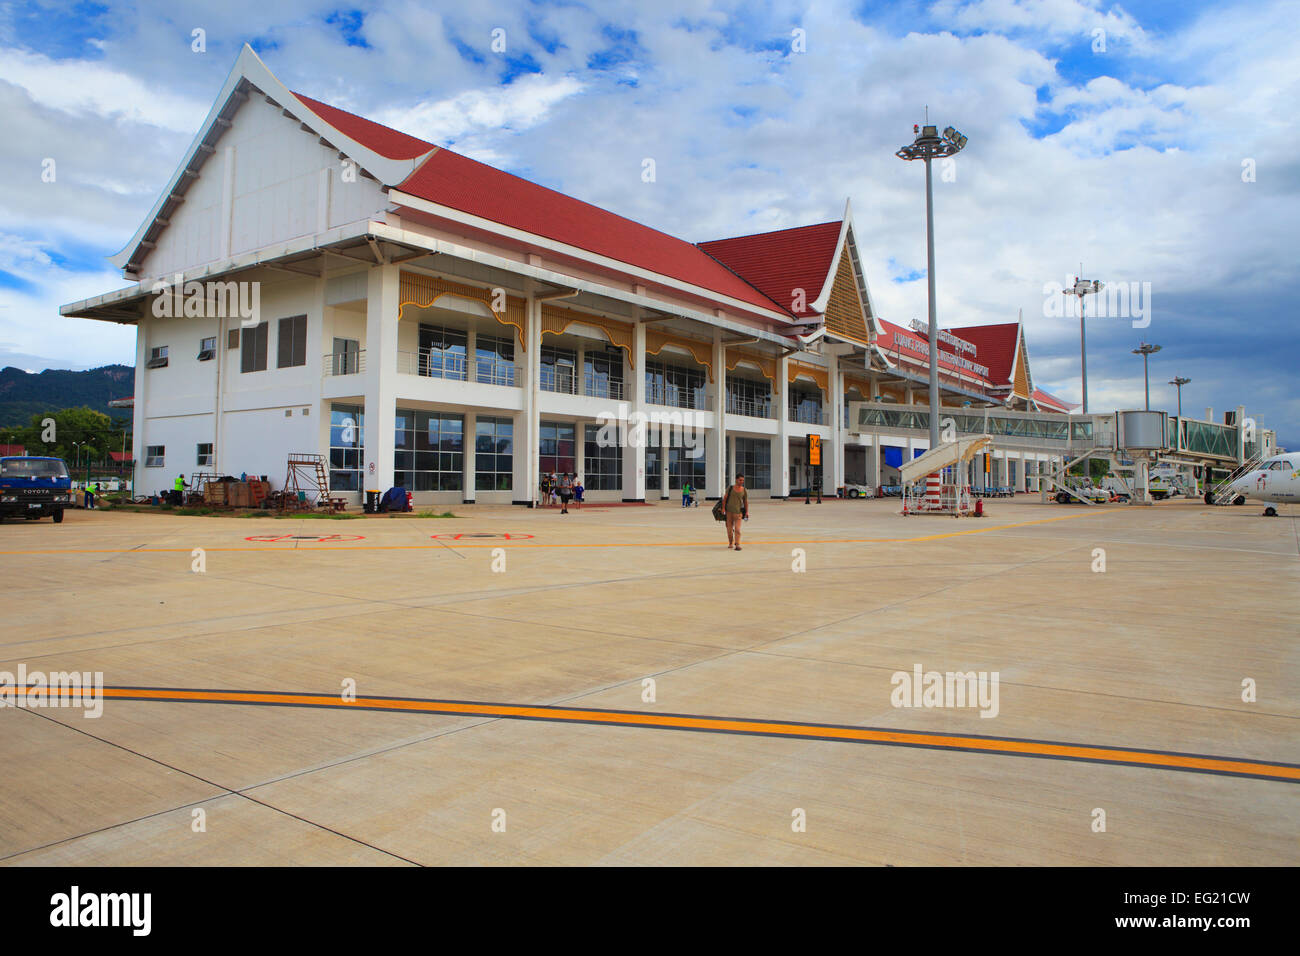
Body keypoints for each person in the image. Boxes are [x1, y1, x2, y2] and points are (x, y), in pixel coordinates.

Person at [723, 473, 749, 550]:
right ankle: (731, 542)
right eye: (740, 480)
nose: (742, 482)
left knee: (737, 529)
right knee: (729, 530)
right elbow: (725, 498)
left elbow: (745, 502)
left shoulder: (744, 490)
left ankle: (737, 544)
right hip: (729, 512)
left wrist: (747, 512)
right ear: (736, 479)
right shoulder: (730, 488)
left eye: (743, 480)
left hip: (738, 513)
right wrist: (723, 508)